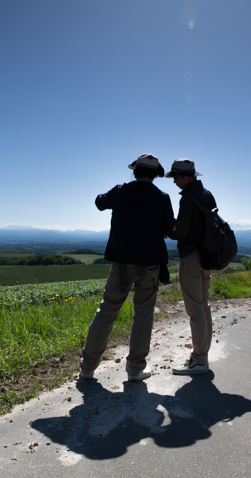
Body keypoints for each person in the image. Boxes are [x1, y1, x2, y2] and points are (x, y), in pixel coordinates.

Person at [79, 153, 174, 382]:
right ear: (154, 175)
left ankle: (88, 367)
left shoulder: (121, 191)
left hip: (121, 263)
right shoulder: (162, 197)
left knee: (107, 312)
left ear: (134, 171)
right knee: (143, 315)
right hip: (150, 264)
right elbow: (170, 229)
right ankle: (135, 370)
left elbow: (100, 202)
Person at [166, 158, 216, 376]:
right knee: (204, 306)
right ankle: (202, 357)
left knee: (195, 309)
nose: (174, 181)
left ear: (186, 177)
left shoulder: (187, 199)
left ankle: (198, 361)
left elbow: (183, 232)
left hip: (191, 258)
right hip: (207, 259)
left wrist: (168, 230)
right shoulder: (207, 195)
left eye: (176, 177)